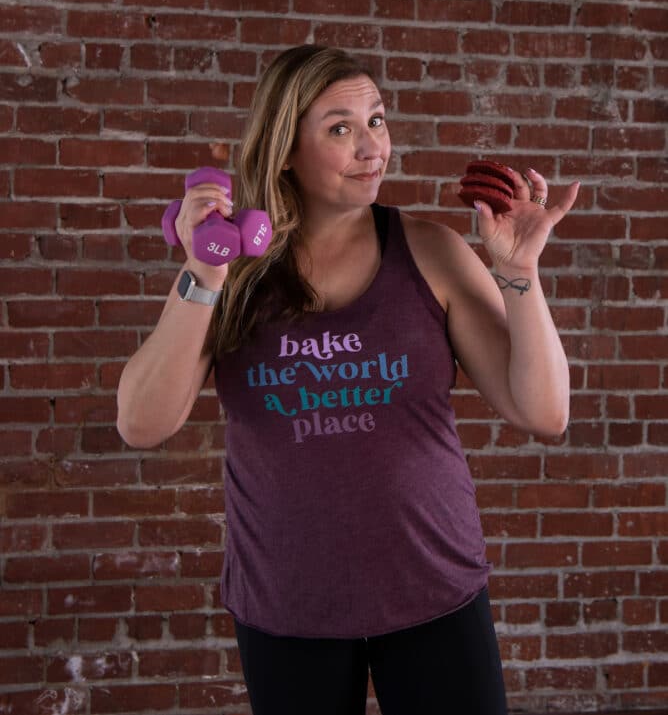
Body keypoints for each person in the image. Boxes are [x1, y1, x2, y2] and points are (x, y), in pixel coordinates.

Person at [117, 44, 579, 715]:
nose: (373, 147)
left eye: (378, 121)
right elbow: (141, 422)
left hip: (433, 587)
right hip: (288, 600)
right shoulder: (233, 272)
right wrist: (205, 275)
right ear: (284, 147)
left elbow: (544, 412)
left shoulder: (431, 250)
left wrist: (520, 273)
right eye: (341, 128)